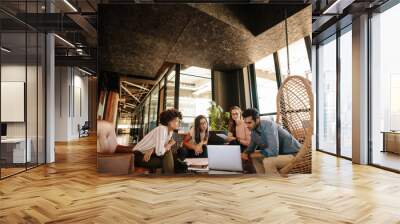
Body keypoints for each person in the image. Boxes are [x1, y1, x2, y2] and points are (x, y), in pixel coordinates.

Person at [241, 108, 301, 175]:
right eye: (245, 123)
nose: (246, 126)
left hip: (295, 154)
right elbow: (251, 147)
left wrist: (256, 154)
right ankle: (264, 180)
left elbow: (273, 151)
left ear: (257, 119)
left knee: (268, 161)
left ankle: (273, 184)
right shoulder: (254, 131)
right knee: (254, 157)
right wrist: (245, 152)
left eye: (249, 123)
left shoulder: (268, 125)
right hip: (280, 155)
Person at [132, 108, 182, 174]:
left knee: (171, 157)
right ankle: (170, 178)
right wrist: (170, 144)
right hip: (138, 156)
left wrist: (152, 149)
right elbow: (160, 152)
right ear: (169, 122)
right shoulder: (162, 129)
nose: (178, 123)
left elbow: (161, 148)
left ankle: (169, 177)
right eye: (176, 121)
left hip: (149, 155)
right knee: (169, 156)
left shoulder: (170, 132)